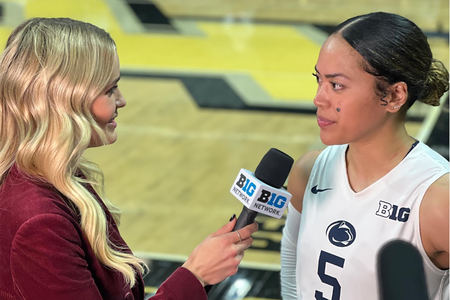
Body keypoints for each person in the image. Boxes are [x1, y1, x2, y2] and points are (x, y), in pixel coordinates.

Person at [0, 18, 258, 300]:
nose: (121, 100)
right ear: (63, 99)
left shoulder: (53, 177)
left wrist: (199, 272)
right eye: (110, 90)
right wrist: (195, 275)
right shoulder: (39, 221)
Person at [280, 11, 449, 300]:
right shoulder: (308, 172)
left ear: (394, 96)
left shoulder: (438, 200)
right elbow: (292, 282)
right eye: (318, 80)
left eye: (336, 85)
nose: (318, 98)